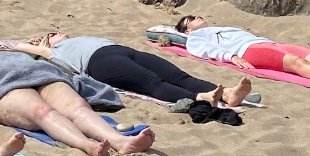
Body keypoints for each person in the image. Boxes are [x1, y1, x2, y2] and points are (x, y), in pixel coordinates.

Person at [0, 39, 155, 156]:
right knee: (76, 107)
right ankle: (116, 140)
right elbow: (33, 52)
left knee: (42, 113)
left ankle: (96, 144)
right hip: (31, 68)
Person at [17, 28, 250, 111]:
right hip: (99, 63)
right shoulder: (53, 52)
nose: (58, 32)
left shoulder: (75, 39)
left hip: (121, 50)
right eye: (52, 33)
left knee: (177, 75)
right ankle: (199, 97)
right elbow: (16, 46)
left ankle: (228, 94)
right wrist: (38, 44)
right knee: (152, 82)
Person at [174, 14, 310, 82]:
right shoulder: (195, 37)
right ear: (187, 31)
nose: (196, 16)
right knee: (296, 62)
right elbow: (204, 50)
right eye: (191, 19)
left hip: (268, 44)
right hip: (248, 50)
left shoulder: (216, 29)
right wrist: (231, 56)